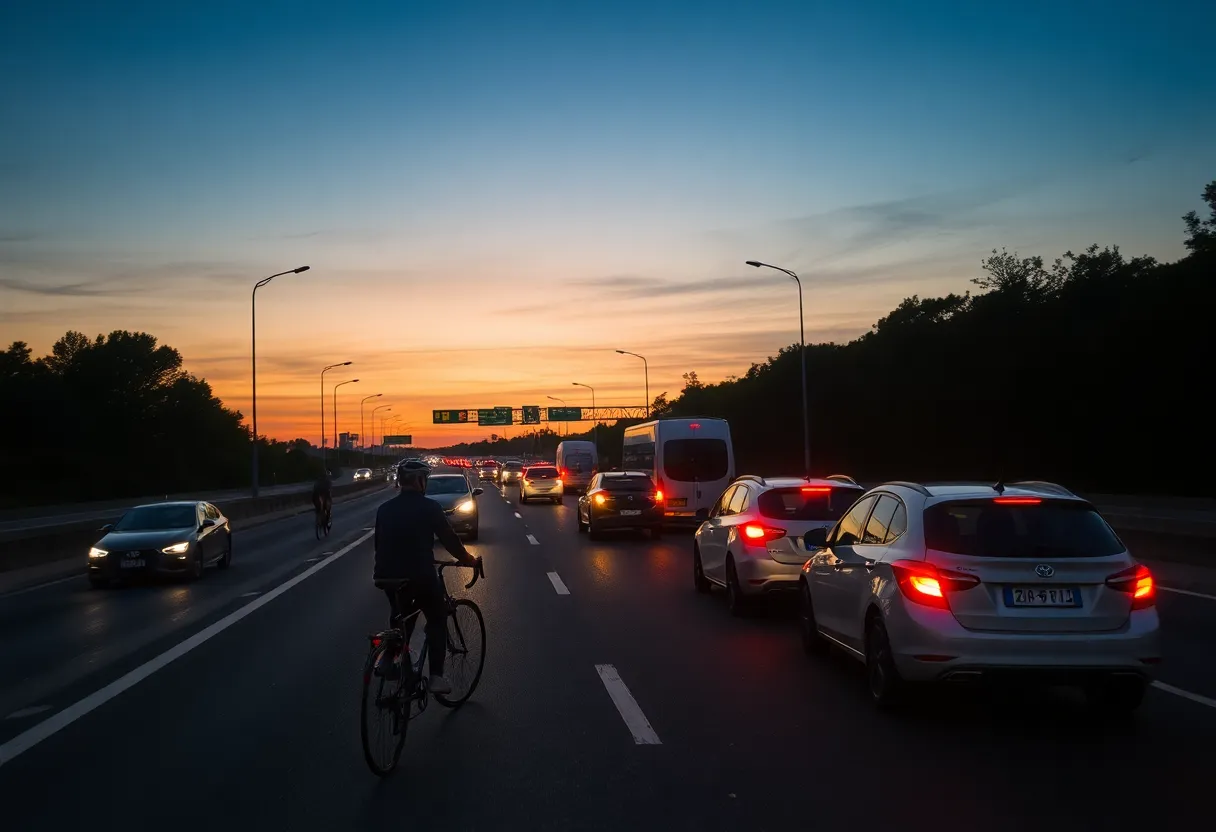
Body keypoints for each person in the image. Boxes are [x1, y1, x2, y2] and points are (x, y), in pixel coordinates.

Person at [373, 459, 478, 695]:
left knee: (400, 617)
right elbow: (450, 540)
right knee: (437, 617)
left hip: (385, 577)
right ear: (421, 481)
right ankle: (437, 677)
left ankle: (389, 659)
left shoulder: (384, 509)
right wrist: (469, 560)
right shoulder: (430, 507)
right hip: (419, 576)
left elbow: (379, 545)